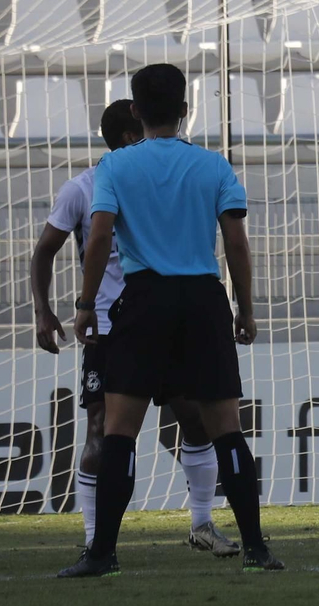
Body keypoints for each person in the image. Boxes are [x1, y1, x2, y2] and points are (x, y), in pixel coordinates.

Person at [57, 63, 281, 577]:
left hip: (144, 299)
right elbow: (237, 244)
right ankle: (256, 548)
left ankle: (102, 553)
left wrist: (87, 304)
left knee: (119, 432)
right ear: (185, 110)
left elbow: (98, 238)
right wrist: (244, 309)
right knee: (226, 429)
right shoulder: (213, 166)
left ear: (136, 110)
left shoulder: (115, 168)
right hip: (203, 300)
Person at [31, 101, 239, 558]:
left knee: (196, 422)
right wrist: (44, 310)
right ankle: (94, 540)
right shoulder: (84, 189)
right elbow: (45, 249)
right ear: (130, 137)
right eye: (142, 129)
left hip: (166, 321)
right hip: (109, 330)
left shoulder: (157, 181)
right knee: (102, 432)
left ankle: (202, 523)